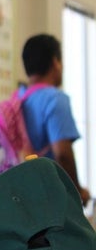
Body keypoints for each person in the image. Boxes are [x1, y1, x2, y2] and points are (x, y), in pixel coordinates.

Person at [20, 33, 90, 206]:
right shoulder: (55, 99)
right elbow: (63, 154)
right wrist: (78, 192)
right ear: (55, 62)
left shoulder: (19, 99)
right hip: (49, 199)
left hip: (22, 196)